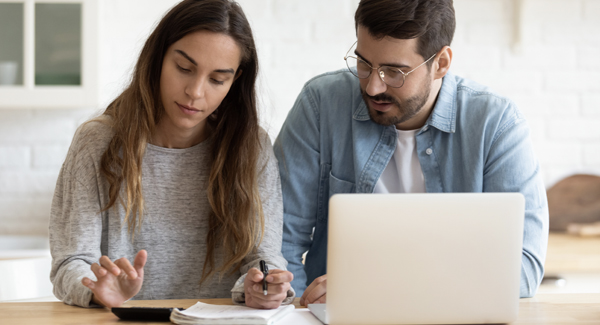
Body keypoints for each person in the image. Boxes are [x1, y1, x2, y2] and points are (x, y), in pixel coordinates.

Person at [274, 0, 548, 306]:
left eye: (394, 72)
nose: (373, 87)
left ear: (441, 63)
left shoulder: (496, 124)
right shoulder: (321, 104)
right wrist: (296, 311)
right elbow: (278, 242)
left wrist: (371, 289)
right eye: (364, 64)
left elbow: (523, 270)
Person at [50, 0, 294, 309]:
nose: (195, 91)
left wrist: (264, 283)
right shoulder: (97, 142)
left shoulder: (251, 147)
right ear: (158, 58)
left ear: (235, 81)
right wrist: (97, 290)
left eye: (217, 79)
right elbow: (70, 261)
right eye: (184, 68)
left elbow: (262, 256)